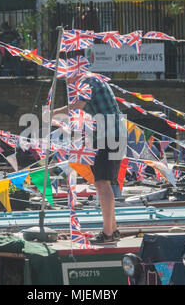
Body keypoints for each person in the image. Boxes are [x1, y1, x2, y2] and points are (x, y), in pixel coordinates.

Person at [49, 70, 125, 244]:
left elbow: (79, 105)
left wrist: (54, 113)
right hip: (107, 135)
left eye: (66, 78)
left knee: (102, 183)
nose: (67, 83)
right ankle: (112, 229)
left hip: (109, 136)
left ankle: (107, 234)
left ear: (75, 72)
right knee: (103, 183)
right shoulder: (93, 80)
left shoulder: (88, 81)